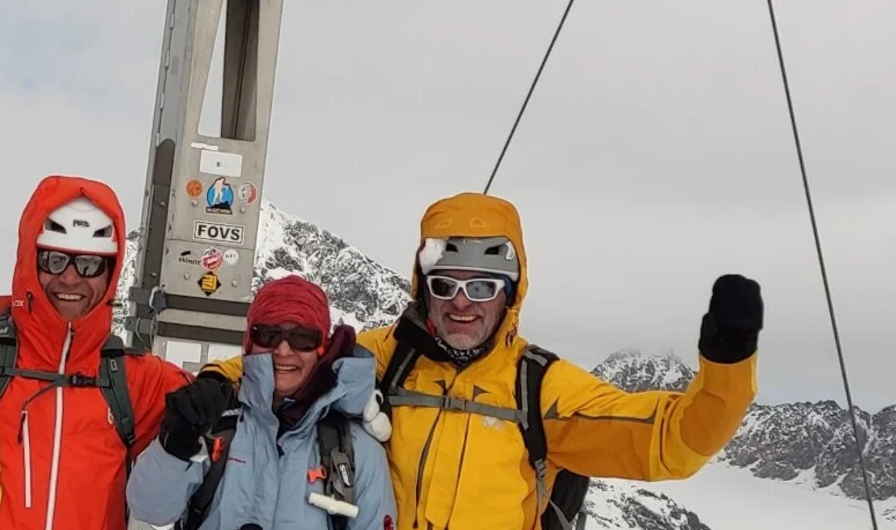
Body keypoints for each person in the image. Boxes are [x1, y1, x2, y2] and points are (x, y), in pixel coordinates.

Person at [197, 192, 763, 529]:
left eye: (484, 286)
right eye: (445, 286)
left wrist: (727, 366)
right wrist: (215, 384)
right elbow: (288, 365)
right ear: (424, 288)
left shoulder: (538, 388)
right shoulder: (384, 357)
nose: (462, 304)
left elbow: (672, 442)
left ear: (511, 292)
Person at [0, 175, 194, 530]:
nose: (69, 279)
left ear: (110, 273)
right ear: (30, 264)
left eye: (89, 263)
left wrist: (219, 381)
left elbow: (250, 384)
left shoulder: (135, 378)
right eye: (53, 260)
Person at [127, 275, 397, 530]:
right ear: (249, 343)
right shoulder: (215, 423)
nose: (283, 350)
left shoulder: (355, 448)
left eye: (302, 338)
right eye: (268, 334)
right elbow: (150, 508)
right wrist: (175, 441)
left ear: (321, 348)